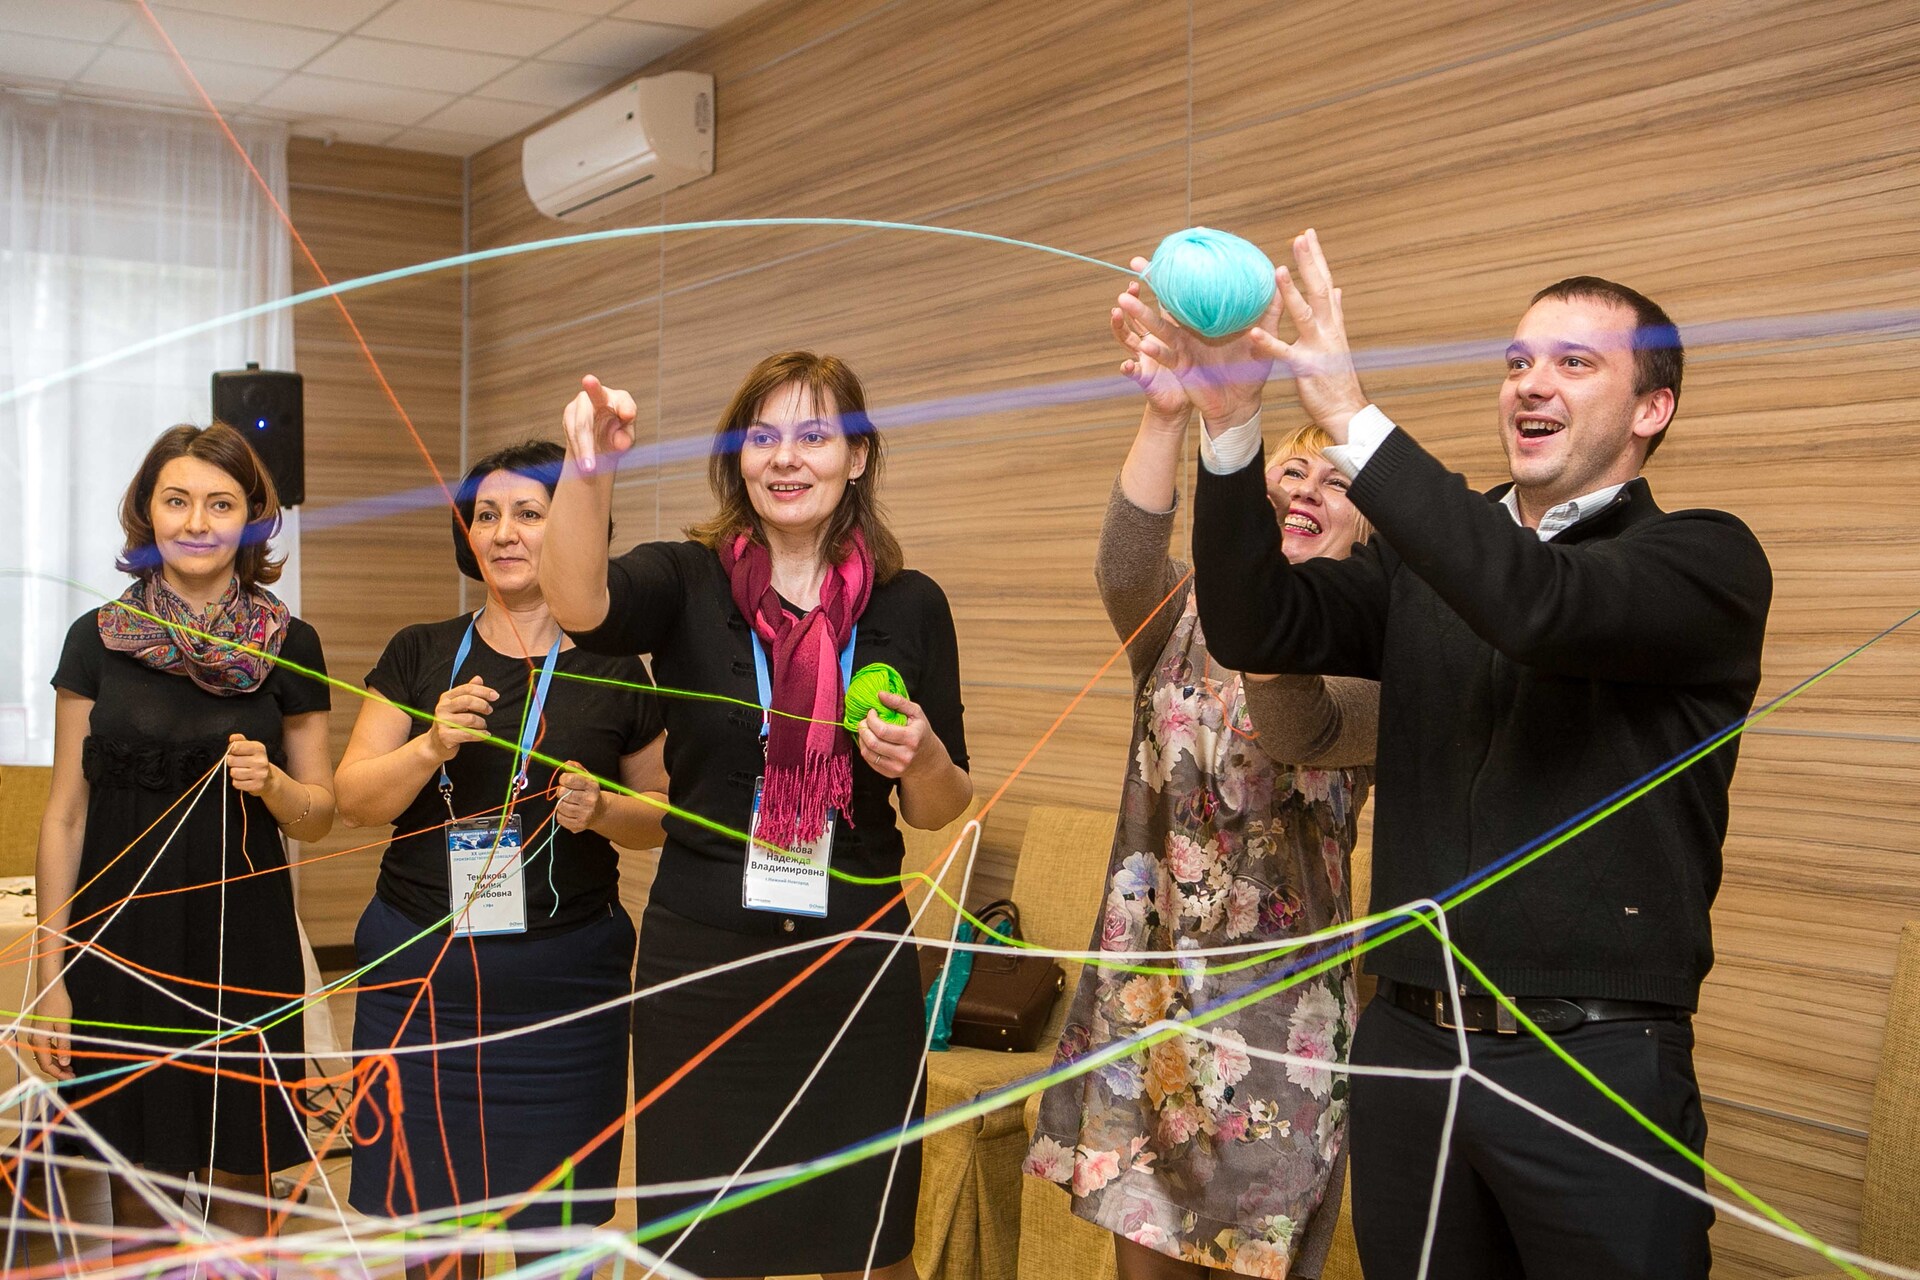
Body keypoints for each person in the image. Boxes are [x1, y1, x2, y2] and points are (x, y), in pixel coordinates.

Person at [1183, 231, 1772, 1279]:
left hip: (1592, 1061)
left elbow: (1535, 605)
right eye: (1517, 361)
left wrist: (1354, 417)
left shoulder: (1705, 559)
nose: (1531, 383)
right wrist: (1230, 430)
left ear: (1652, 409)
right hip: (1410, 1050)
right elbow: (1252, 623)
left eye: (1573, 362)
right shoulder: (1428, 564)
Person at [542, 351, 972, 1280]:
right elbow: (578, 604)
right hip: (704, 967)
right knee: (702, 1250)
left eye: (814, 436)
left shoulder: (911, 605)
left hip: (854, 964)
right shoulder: (689, 580)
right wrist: (588, 468)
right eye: (763, 436)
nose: (786, 457)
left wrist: (925, 756)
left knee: (868, 1246)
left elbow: (940, 807)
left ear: (857, 456)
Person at [1026, 278, 1379, 1280]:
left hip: (1279, 1031)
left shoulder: (1376, 666)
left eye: (1336, 483)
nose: (1306, 488)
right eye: (1291, 469)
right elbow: (1123, 563)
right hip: (1150, 1004)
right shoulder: (1178, 620)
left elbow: (1293, 720)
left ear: (1367, 540)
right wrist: (1168, 412)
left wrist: (1266, 600)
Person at [332, 440, 666, 1270]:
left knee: (560, 1231)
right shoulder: (419, 651)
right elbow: (354, 799)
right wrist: (429, 745)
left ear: (576, 528)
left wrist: (602, 809)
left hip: (565, 988)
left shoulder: (617, 666)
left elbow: (662, 817)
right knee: (432, 1224)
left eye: (529, 513)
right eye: (486, 515)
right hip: (422, 978)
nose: (504, 533)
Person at [30, 422, 335, 1247]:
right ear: (147, 512)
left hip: (246, 945)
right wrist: (50, 976)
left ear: (253, 519)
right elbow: (64, 815)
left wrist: (276, 785)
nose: (197, 521)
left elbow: (321, 814)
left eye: (220, 503)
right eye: (177, 500)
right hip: (120, 947)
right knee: (138, 1183)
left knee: (245, 1177)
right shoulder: (95, 639)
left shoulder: (293, 645)